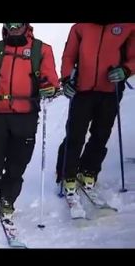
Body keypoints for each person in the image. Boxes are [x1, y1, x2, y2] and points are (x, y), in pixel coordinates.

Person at [0, 23, 59, 226]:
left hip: (27, 114)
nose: (14, 27)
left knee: (18, 162)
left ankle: (7, 199)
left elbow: (51, 77)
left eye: (18, 23)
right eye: (9, 23)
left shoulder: (42, 49)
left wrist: (49, 86)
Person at [55, 23, 134, 202]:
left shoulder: (127, 26)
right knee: (75, 134)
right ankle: (66, 174)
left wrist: (126, 69)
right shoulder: (80, 27)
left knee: (101, 133)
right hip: (82, 90)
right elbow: (68, 56)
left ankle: (89, 170)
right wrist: (67, 79)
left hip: (110, 89)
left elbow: (133, 56)